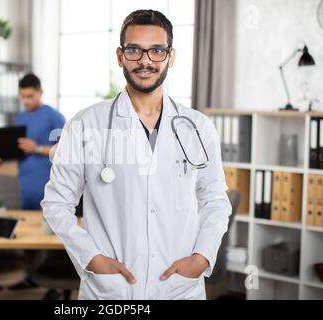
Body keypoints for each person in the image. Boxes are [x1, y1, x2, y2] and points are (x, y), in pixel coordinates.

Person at [41, 10, 232, 300]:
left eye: (156, 50)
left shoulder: (199, 127)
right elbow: (56, 203)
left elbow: (216, 200)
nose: (145, 60)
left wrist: (202, 257)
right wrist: (91, 258)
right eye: (134, 50)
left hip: (179, 288)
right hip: (111, 290)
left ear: (171, 56)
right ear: (120, 56)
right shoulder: (85, 124)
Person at [8, 73, 66, 293]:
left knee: (51, 234)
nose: (26, 101)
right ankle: (30, 276)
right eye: (23, 97)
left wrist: (38, 148)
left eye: (30, 96)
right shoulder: (20, 118)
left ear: (40, 92)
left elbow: (65, 150)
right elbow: (19, 148)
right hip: (25, 184)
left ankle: (56, 283)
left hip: (47, 184)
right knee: (27, 234)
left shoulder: (55, 117)